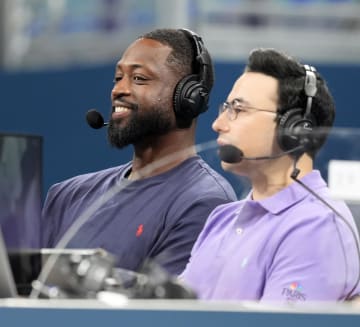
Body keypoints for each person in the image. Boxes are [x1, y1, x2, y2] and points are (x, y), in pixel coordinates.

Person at [41, 28, 237, 275]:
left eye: (139, 79)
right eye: (118, 77)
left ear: (188, 98)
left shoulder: (204, 202)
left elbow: (162, 308)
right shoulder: (66, 196)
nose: (118, 90)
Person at [180, 48, 360, 302]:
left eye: (238, 110)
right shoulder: (223, 217)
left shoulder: (317, 224)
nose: (218, 124)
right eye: (226, 108)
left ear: (295, 130)